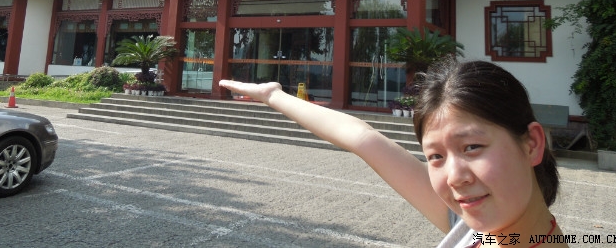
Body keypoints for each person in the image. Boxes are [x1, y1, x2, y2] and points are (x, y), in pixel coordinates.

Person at [219, 60, 568, 248]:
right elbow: (362, 138)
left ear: (532, 144)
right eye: (436, 156)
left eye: (472, 147)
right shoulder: (475, 227)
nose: (454, 177)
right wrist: (273, 95)